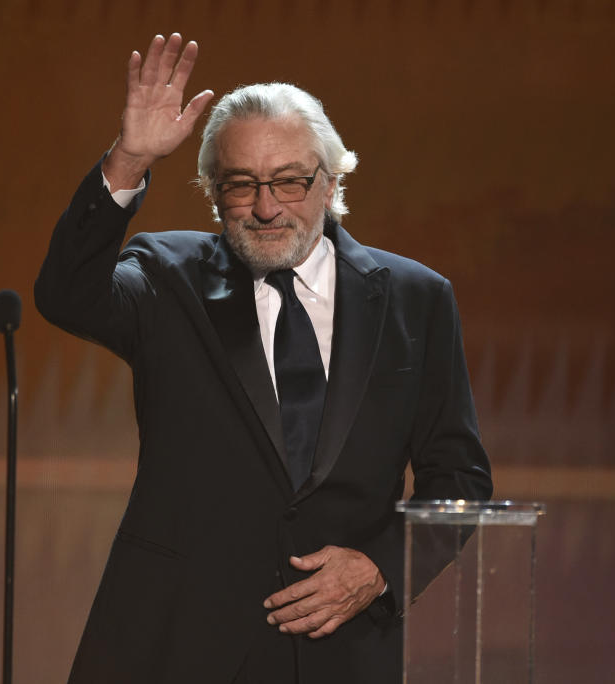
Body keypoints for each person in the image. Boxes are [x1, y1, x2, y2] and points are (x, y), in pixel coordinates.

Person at [35, 33, 492, 684]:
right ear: (212, 191)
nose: (267, 206)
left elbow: (461, 483)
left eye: (288, 182)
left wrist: (381, 568)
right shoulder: (167, 277)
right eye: (242, 184)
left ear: (330, 182)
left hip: (341, 651)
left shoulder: (416, 299)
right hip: (175, 646)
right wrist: (129, 160)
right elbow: (66, 297)